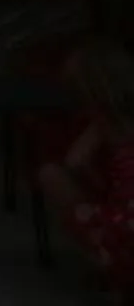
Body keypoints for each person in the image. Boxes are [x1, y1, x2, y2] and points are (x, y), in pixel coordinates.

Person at [44, 41, 134, 298]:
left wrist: (99, 187)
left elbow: (75, 162)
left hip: (126, 229)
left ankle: (111, 270)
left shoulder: (107, 120)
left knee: (52, 177)